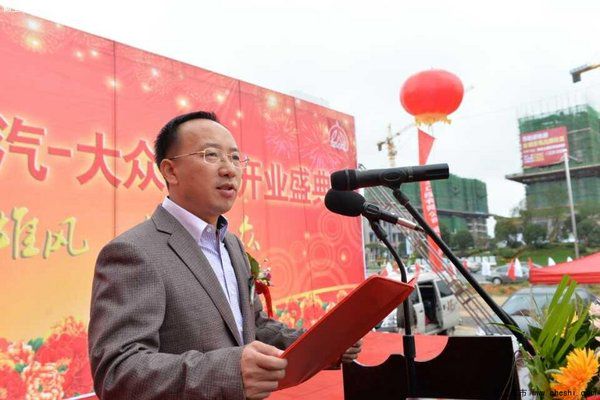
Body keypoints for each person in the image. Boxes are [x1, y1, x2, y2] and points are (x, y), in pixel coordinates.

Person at [88, 111, 362, 400]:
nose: (229, 169)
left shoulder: (231, 244)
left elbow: (252, 326)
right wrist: (229, 372)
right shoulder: (134, 252)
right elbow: (118, 372)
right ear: (170, 171)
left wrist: (325, 345)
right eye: (211, 155)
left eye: (235, 158)